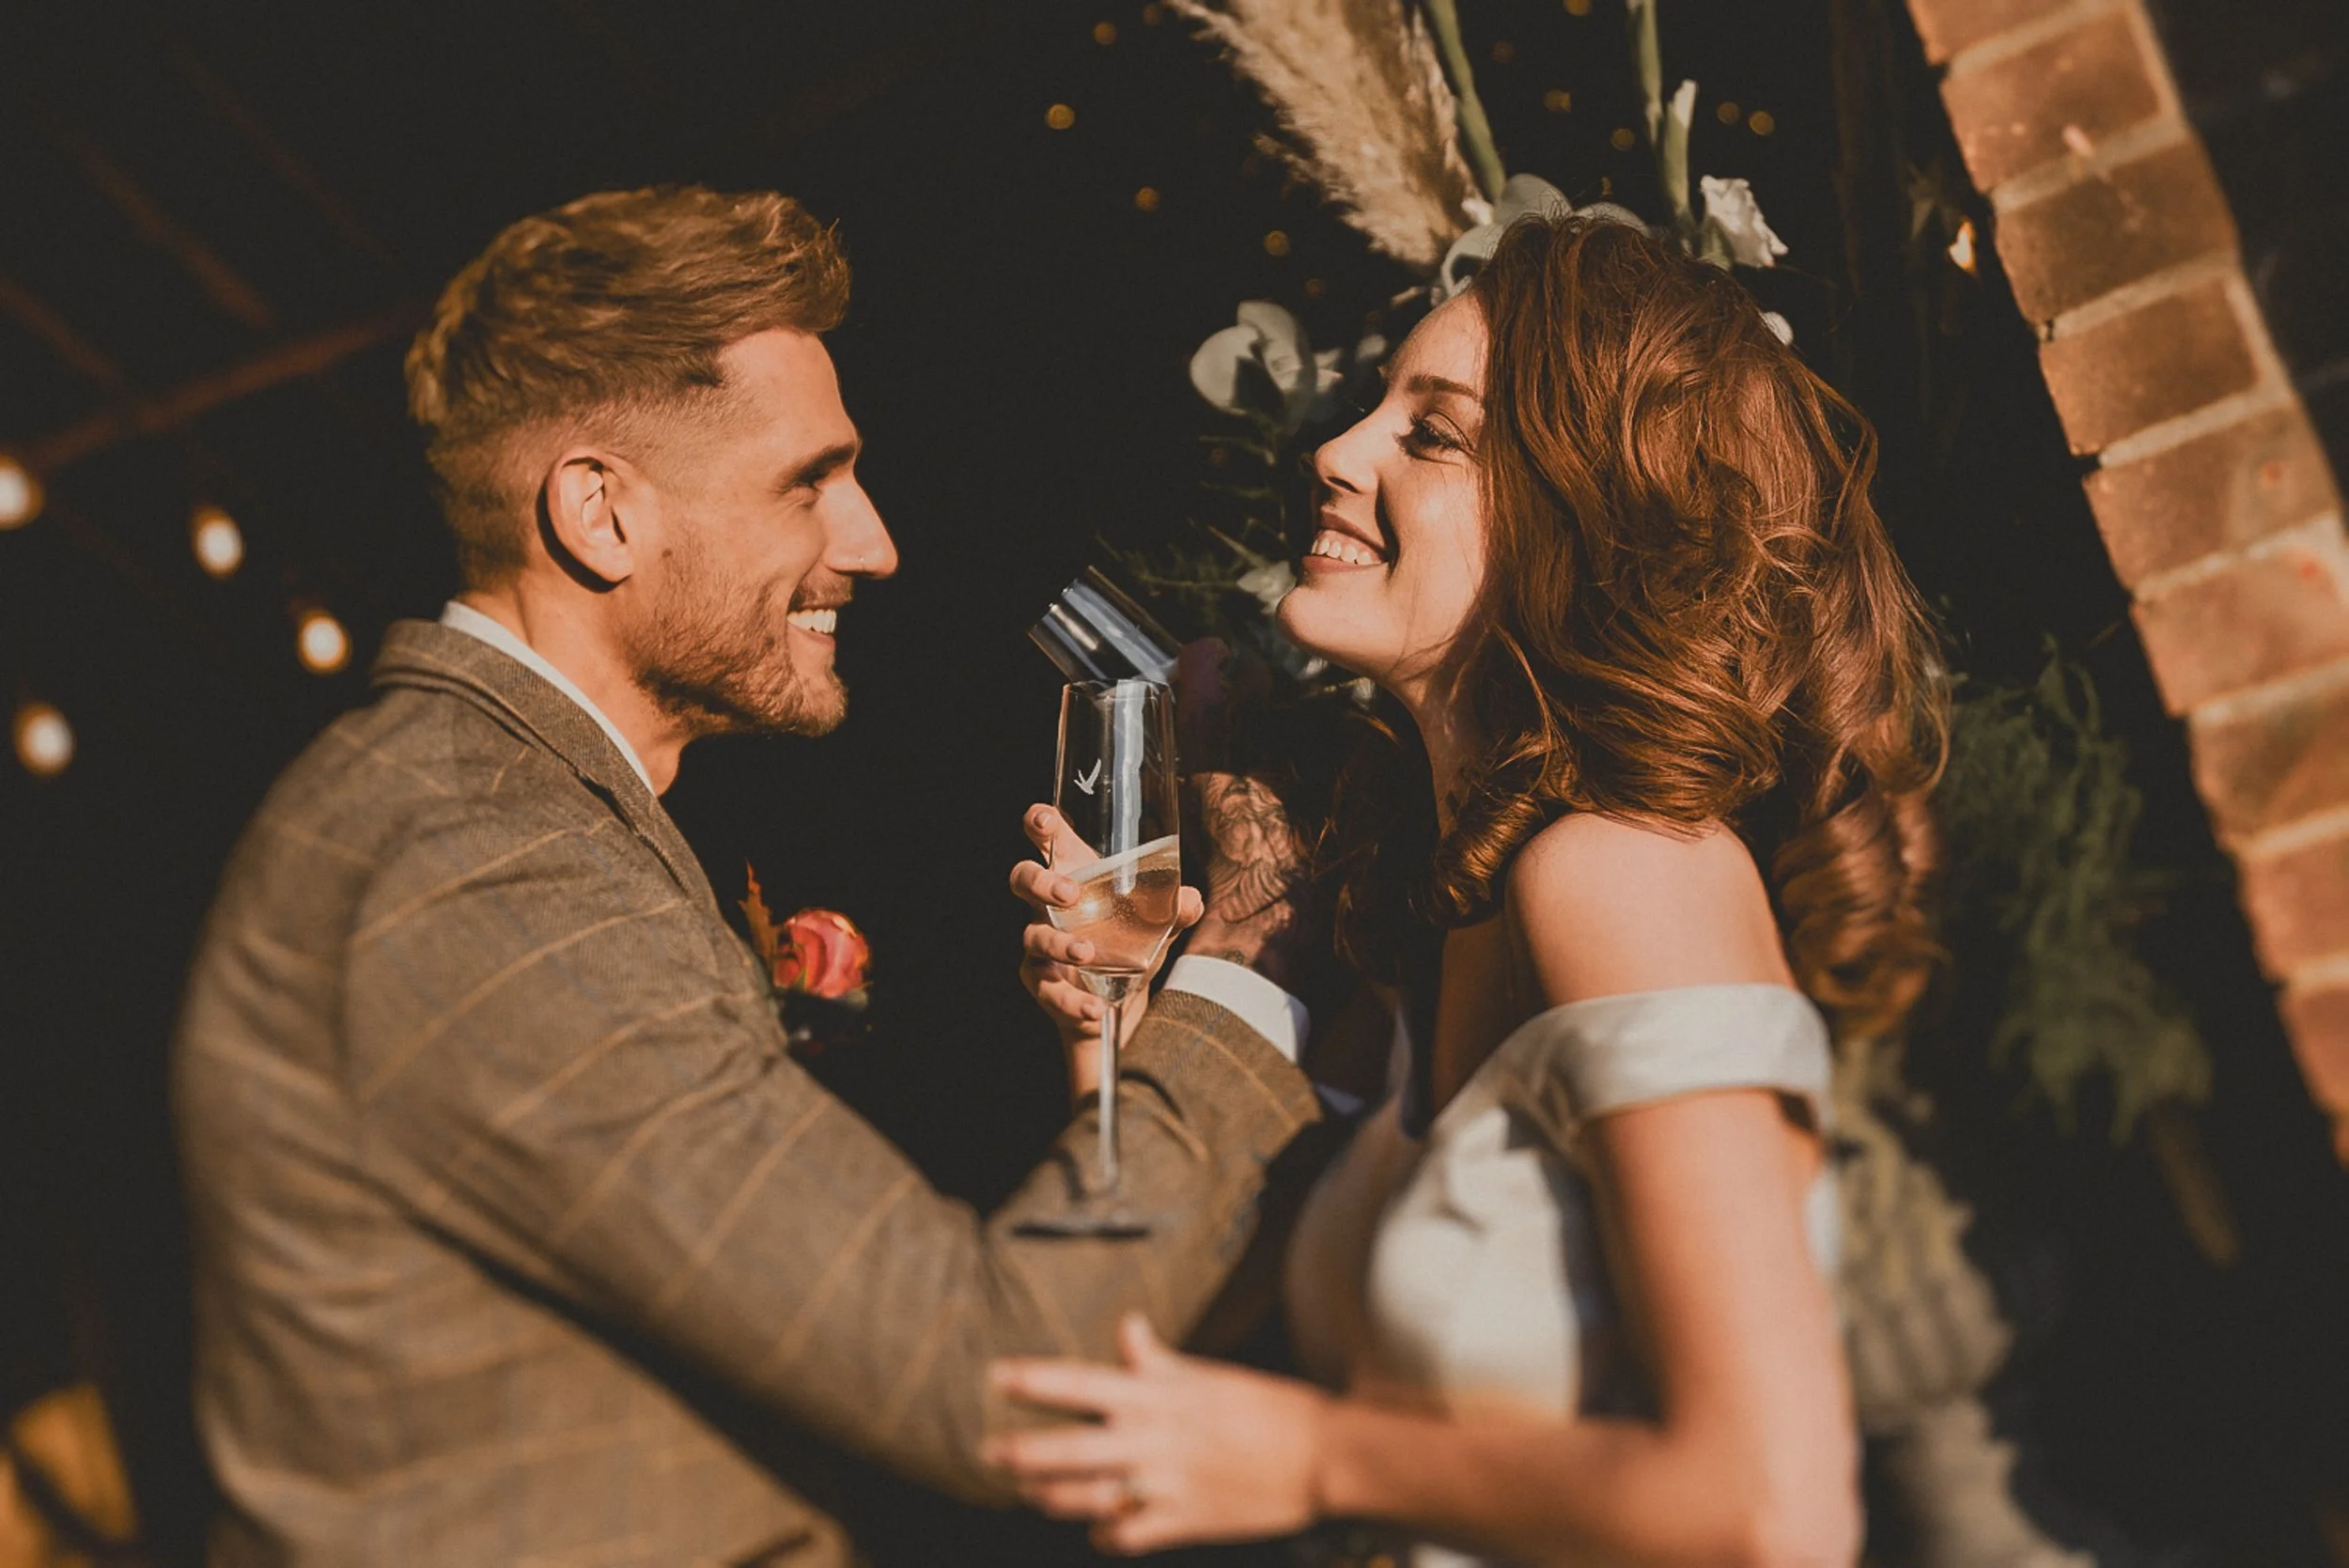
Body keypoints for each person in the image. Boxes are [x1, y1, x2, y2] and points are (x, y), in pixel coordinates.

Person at [169, 185, 1328, 1568]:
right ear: (601, 515)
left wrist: (1130, 1048)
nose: (874, 543)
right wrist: (1248, 962)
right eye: (808, 483)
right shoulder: (483, 865)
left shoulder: (501, 805)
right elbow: (997, 1374)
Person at [992, 214, 1947, 1565]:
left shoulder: (1623, 872)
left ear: (1590, 517)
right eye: (1376, 408)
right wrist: (1114, 1053)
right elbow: (1182, 1359)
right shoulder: (1431, 921)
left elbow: (1773, 1513)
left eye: (1430, 435)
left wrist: (1320, 1462)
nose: (1335, 453)